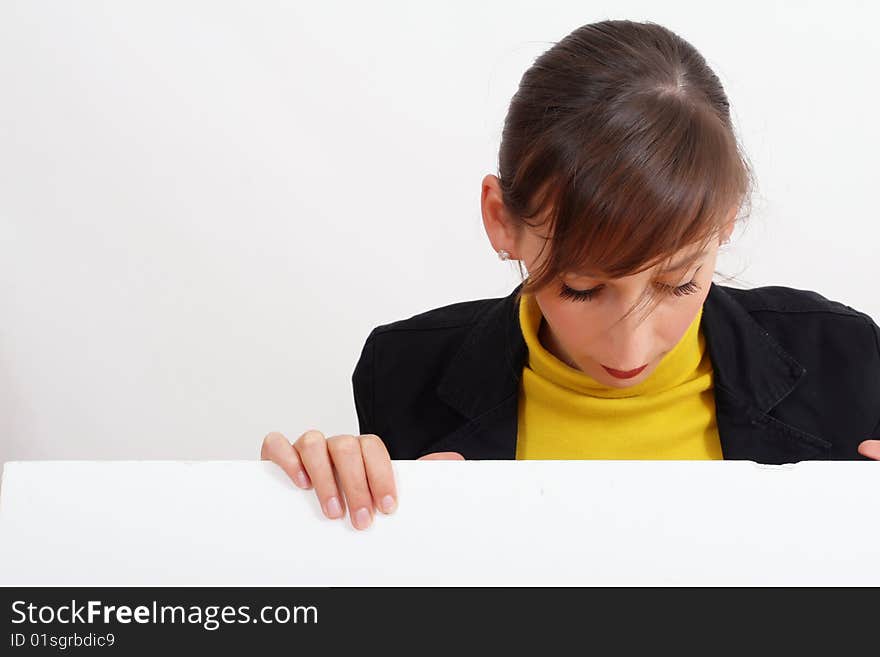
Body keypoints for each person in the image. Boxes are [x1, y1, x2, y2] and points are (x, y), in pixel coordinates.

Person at [260, 19, 880, 530]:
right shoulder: (404, 376)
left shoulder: (843, 360)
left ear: (725, 224)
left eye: (679, 284)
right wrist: (302, 516)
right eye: (581, 288)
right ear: (502, 220)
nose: (631, 348)